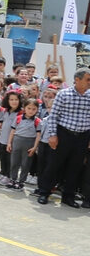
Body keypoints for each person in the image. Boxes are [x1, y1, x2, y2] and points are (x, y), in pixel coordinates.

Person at [35, 67, 90, 206]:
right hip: (63, 134)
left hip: (83, 136)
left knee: (75, 167)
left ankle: (68, 196)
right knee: (54, 164)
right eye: (88, 79)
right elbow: (54, 116)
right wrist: (53, 135)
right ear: (77, 80)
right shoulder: (63, 94)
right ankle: (44, 192)